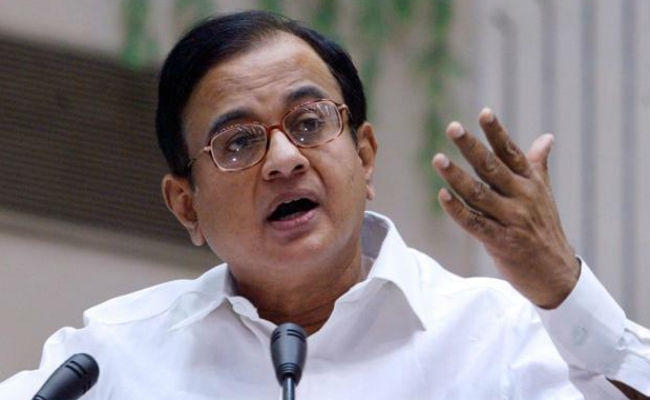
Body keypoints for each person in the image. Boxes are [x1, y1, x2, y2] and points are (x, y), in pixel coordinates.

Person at [1, 10, 649, 399]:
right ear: (186, 206)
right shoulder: (112, 358)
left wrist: (563, 287)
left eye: (309, 123)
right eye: (239, 142)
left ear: (364, 157)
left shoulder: (494, 335)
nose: (284, 159)